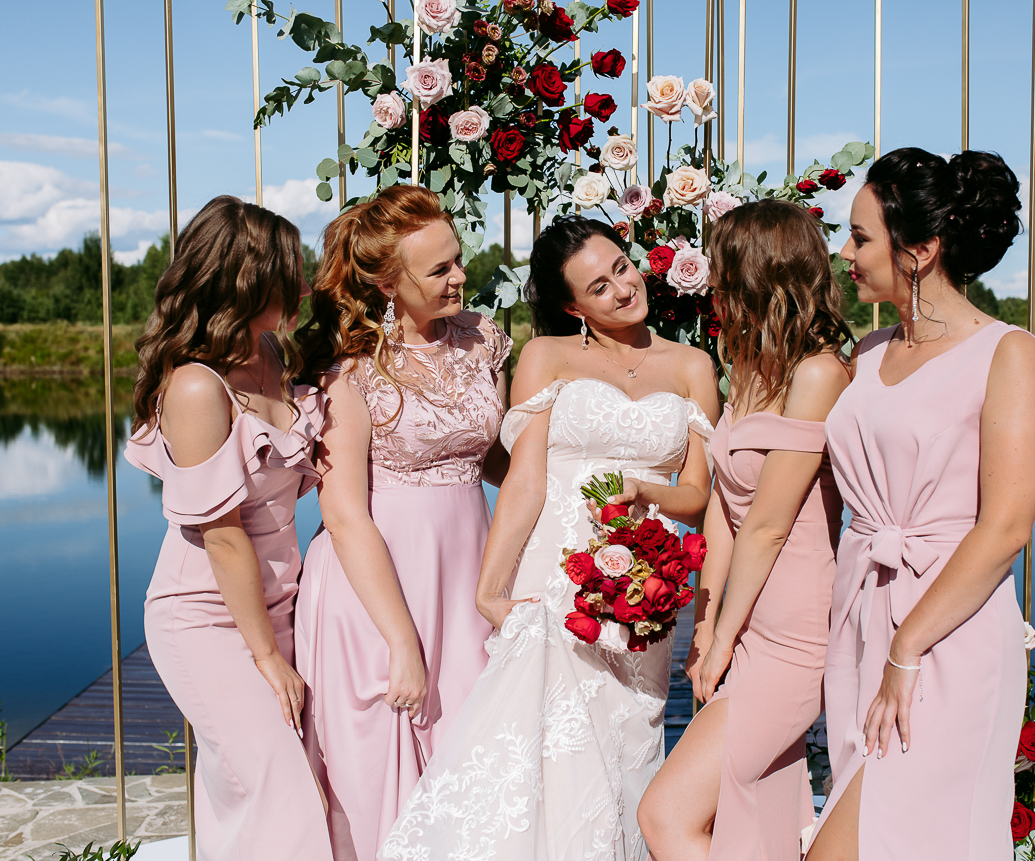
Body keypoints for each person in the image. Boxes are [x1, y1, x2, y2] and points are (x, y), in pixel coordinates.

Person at [379, 216, 719, 860]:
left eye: (622, 267)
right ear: (573, 308)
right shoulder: (545, 357)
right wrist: (490, 590)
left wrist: (644, 492)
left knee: (629, 740)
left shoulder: (693, 366)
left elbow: (698, 495)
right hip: (555, 578)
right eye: (599, 287)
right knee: (551, 752)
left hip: (645, 585)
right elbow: (525, 481)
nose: (624, 288)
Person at [805, 148, 1035, 861]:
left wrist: (906, 648)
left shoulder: (1009, 354)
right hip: (862, 615)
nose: (845, 253)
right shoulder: (869, 351)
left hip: (945, 634)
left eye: (860, 237)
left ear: (919, 252)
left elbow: (1005, 528)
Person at [290, 184, 511, 861]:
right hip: (376, 594)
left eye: (458, 259)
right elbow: (344, 515)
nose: (460, 277)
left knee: (473, 767)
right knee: (385, 791)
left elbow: (493, 457)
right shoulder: (351, 374)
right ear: (388, 283)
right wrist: (401, 641)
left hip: (466, 581)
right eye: (439, 269)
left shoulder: (483, 341)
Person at [638, 199, 852, 861]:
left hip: (795, 630)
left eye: (724, 273)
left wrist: (724, 637)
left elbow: (767, 526)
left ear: (760, 274)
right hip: (747, 620)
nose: (714, 289)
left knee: (665, 815)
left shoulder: (819, 374)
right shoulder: (752, 368)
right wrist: (706, 624)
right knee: (757, 814)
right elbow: (726, 511)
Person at [124, 195, 333, 861]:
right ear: (247, 279)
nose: (304, 284)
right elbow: (222, 535)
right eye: (289, 272)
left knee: (251, 792)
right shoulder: (196, 387)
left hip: (280, 604)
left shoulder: (271, 350)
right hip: (206, 616)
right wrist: (267, 658)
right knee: (280, 790)